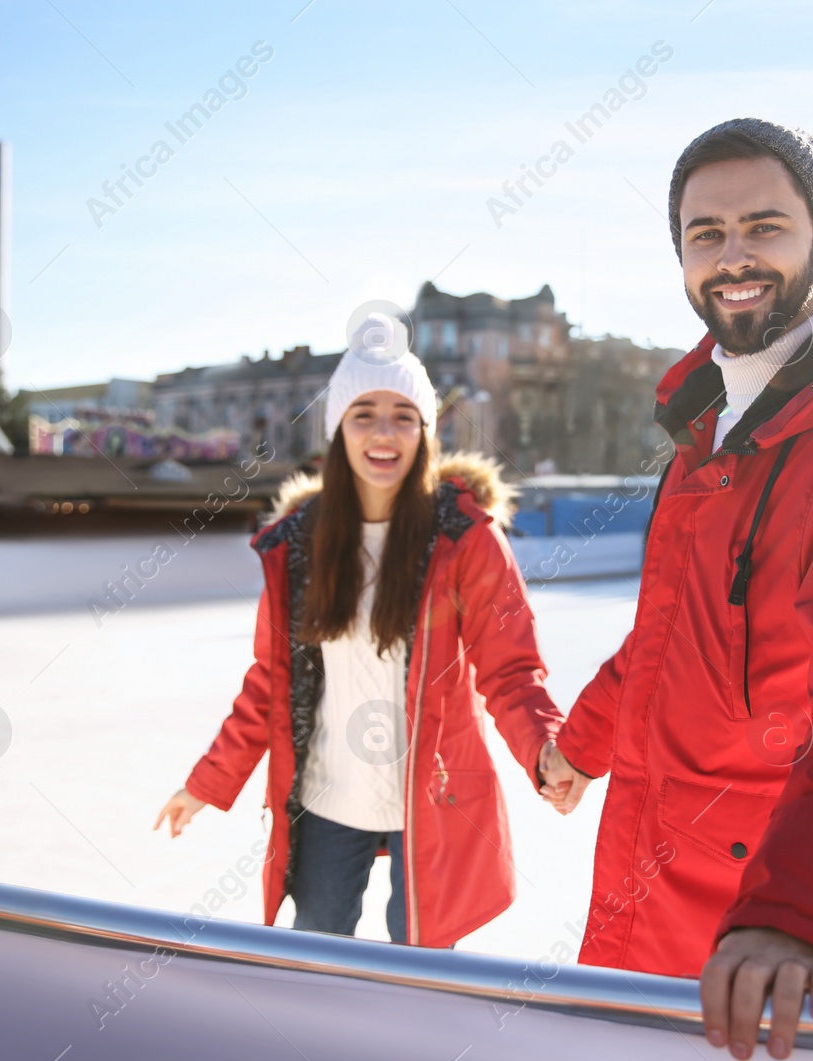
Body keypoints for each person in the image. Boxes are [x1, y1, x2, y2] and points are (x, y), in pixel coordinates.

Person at [540, 118, 813, 1061]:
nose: (733, 257)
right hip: (651, 893)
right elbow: (670, 640)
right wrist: (579, 745)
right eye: (706, 234)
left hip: (768, 932)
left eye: (764, 226)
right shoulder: (707, 427)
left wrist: (802, 914)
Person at [156, 312, 563, 947]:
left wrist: (545, 749)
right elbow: (269, 684)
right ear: (338, 428)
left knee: (425, 968)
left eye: (403, 414)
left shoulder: (465, 540)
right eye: (363, 412)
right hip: (327, 798)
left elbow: (509, 668)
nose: (384, 432)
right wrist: (207, 782)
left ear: (425, 430)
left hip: (432, 799)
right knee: (315, 961)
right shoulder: (297, 545)